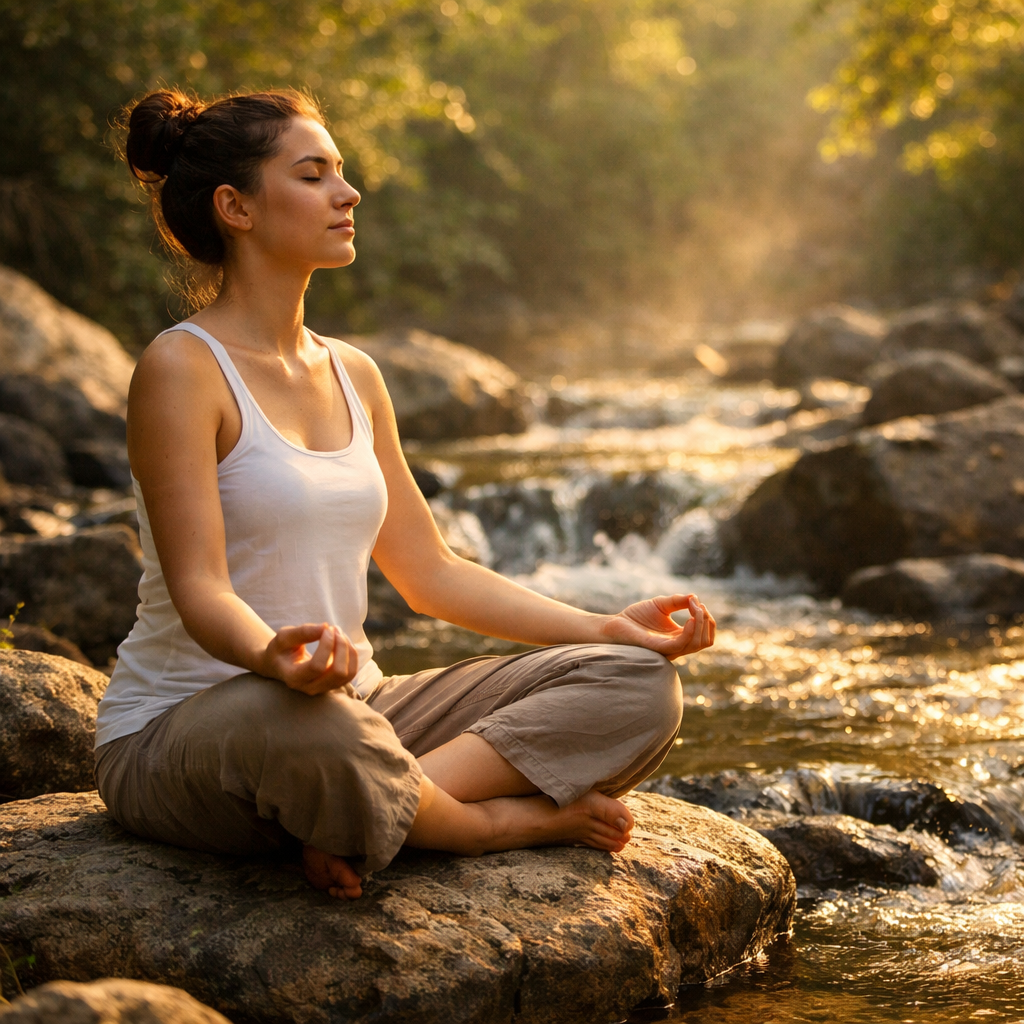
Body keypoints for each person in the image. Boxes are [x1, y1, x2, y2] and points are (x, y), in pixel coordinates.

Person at [94, 88, 716, 901]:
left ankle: (374, 811)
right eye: (313, 175)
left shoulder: (354, 374)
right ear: (235, 206)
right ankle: (480, 825)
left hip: (354, 712)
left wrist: (602, 626)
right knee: (308, 727)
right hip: (196, 725)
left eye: (341, 173)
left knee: (635, 682)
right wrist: (271, 657)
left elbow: (431, 572)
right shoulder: (182, 368)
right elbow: (201, 588)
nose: (347, 195)